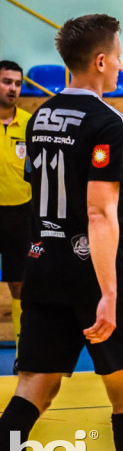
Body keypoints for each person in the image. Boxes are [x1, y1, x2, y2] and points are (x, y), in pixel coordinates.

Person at [0, 15, 123, 451]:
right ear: (99, 60)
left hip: (44, 263)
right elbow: (96, 210)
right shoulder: (111, 122)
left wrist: (122, 229)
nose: (119, 64)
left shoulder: (40, 117)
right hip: (93, 273)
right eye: (116, 55)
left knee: (34, 389)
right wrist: (110, 290)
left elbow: (52, 202)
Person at [0, 61, 30, 351]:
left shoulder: (30, 124)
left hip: (21, 213)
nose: (13, 88)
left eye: (17, 83)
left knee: (20, 285)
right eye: (7, 81)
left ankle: (24, 352)